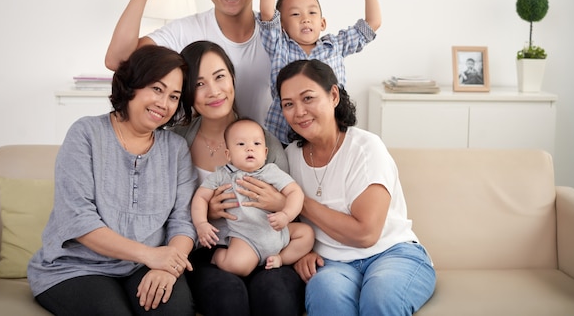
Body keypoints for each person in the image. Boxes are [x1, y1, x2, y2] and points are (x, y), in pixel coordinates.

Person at [27, 46, 197, 316]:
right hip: (77, 267)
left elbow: (183, 222)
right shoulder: (86, 133)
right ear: (132, 84)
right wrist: (149, 254)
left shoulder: (175, 149)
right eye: (156, 88)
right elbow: (78, 219)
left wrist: (168, 265)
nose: (164, 104)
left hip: (147, 266)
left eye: (174, 96)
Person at [276, 59, 436, 316]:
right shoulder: (290, 157)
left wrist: (300, 200)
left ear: (333, 96)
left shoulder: (366, 148)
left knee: (379, 297)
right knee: (324, 293)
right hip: (333, 264)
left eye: (308, 98)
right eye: (288, 104)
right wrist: (301, 253)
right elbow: (288, 223)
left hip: (390, 253)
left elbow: (365, 234)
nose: (299, 111)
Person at [172, 41, 306, 316]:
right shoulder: (177, 140)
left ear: (232, 78)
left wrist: (278, 202)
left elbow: (293, 207)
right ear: (187, 92)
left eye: (220, 77)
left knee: (276, 301)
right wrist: (204, 213)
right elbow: (166, 211)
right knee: (227, 301)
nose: (213, 91)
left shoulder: (262, 141)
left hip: (268, 243)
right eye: (199, 84)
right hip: (211, 249)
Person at [106, 0, 272, 125]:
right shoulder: (184, 31)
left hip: (267, 150)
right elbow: (118, 61)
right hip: (197, 149)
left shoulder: (278, 32)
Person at [259, 0, 382, 143]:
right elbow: (267, 12)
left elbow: (372, 24)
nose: (305, 18)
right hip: (284, 136)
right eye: (295, 14)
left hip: (328, 131)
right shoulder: (279, 45)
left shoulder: (335, 45)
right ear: (281, 25)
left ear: (323, 23)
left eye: (312, 12)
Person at [192, 118, 314, 276]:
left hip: (278, 230)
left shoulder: (271, 171)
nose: (249, 148)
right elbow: (200, 197)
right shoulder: (223, 174)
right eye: (241, 144)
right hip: (246, 238)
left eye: (256, 144)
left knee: (307, 235)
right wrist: (201, 223)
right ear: (228, 154)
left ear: (265, 153)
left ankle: (280, 259)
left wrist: (286, 214)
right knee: (238, 266)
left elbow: (295, 192)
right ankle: (217, 257)